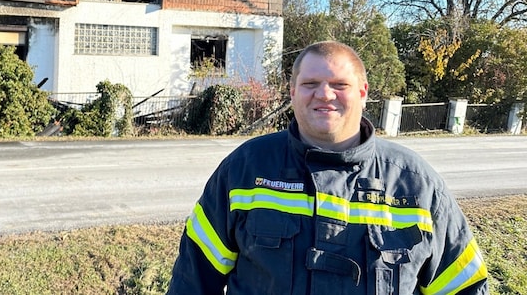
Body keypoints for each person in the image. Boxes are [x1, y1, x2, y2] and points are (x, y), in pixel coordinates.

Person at [166, 41, 488, 294]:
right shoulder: (244, 170)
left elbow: (465, 287)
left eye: (339, 84)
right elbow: (191, 281)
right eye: (310, 83)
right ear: (292, 92)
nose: (324, 94)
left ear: (363, 92)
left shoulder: (417, 186)